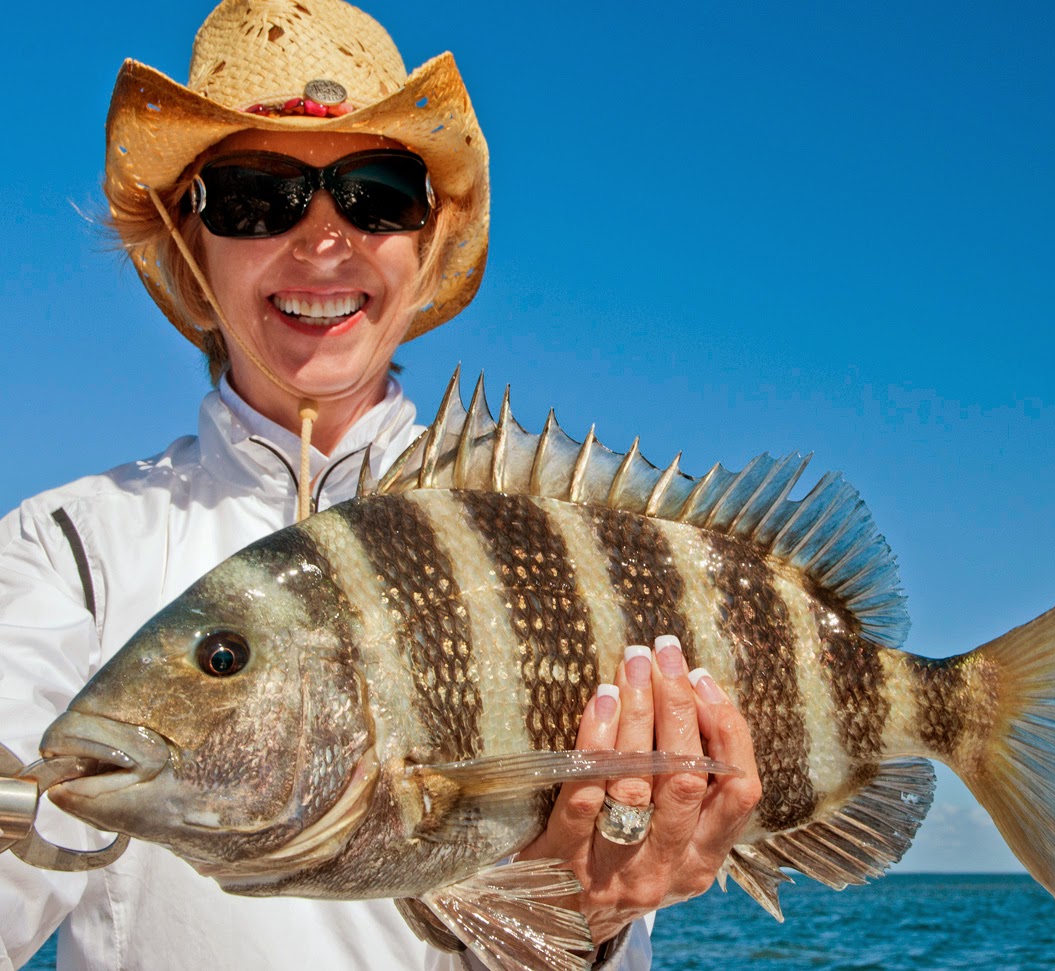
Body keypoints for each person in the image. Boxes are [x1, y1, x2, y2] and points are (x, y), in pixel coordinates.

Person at [0, 1, 761, 969]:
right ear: (189, 236)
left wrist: (586, 925)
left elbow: (577, 909)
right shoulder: (67, 553)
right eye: (254, 193)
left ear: (427, 234)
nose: (323, 237)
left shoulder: (554, 535)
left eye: (376, 191)